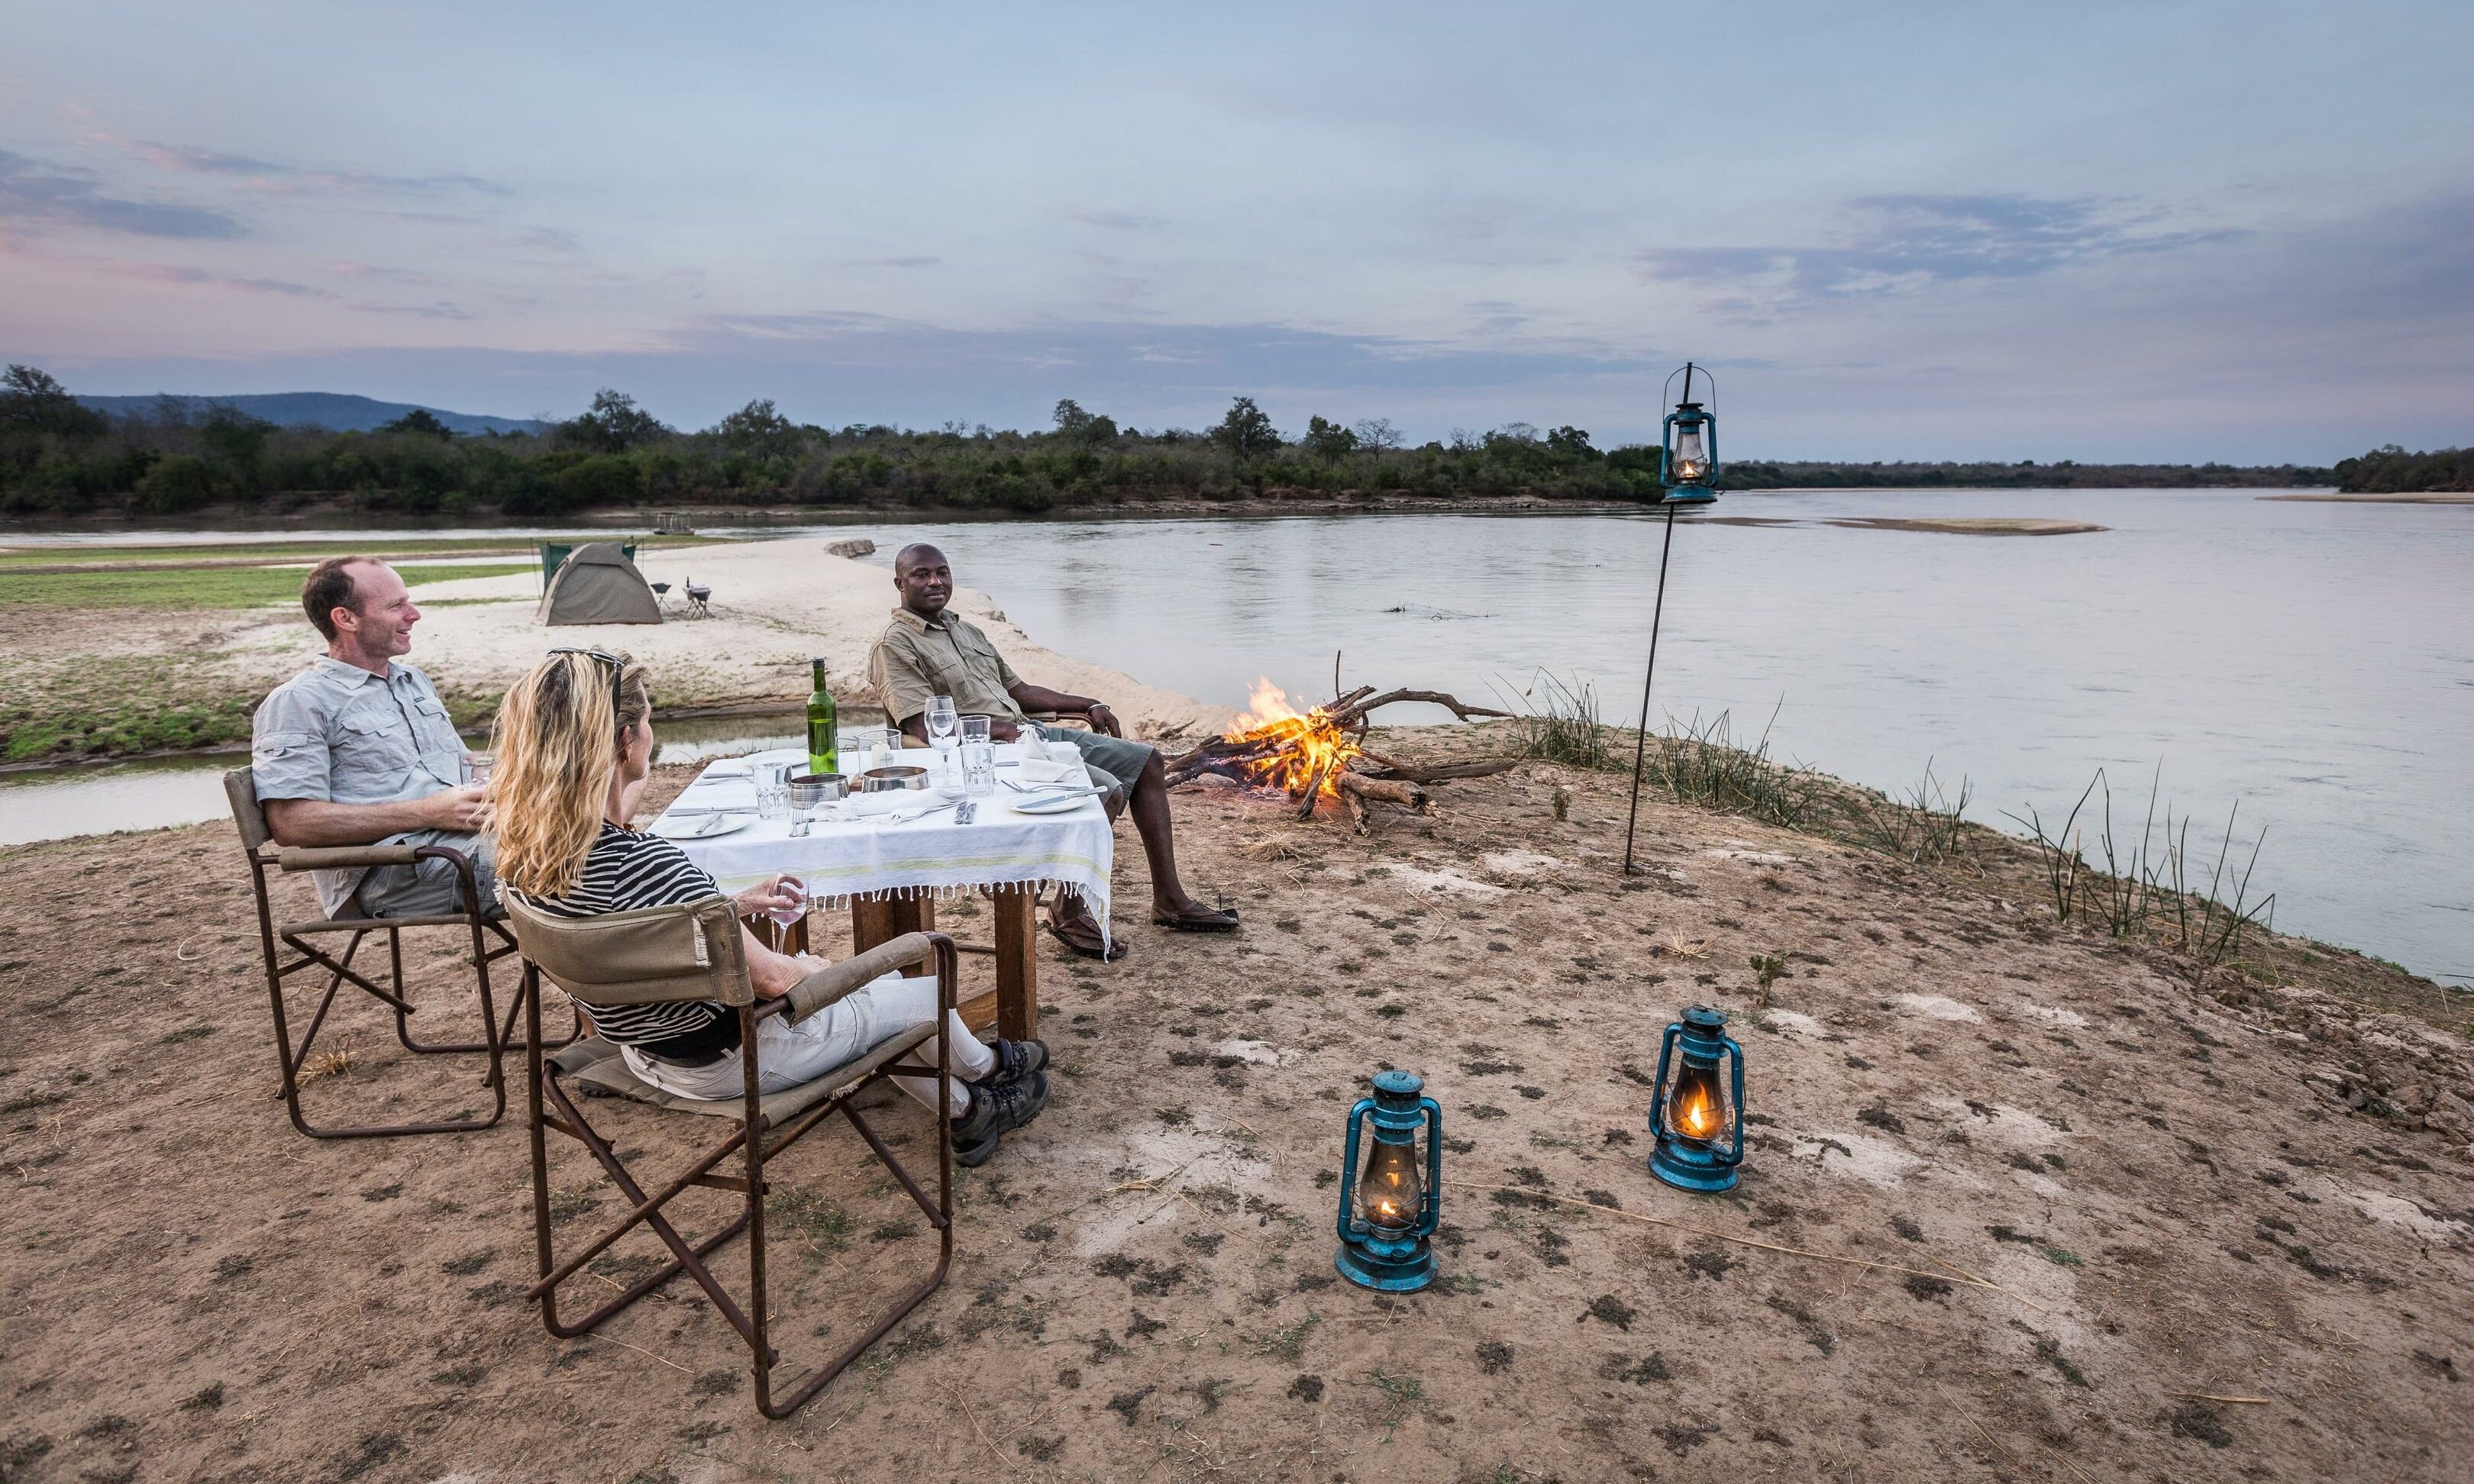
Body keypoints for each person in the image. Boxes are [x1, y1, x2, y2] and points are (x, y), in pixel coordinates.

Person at [488, 647, 1048, 1166]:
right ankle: (991, 1072)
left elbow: (641, 928)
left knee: (882, 1003)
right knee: (918, 989)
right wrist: (817, 969)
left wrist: (727, 905)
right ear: (625, 742)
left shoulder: (530, 861)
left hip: (647, 1049)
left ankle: (971, 1112)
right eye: (649, 724)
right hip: (737, 1059)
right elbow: (779, 981)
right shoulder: (651, 865)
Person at [865, 542, 1240, 958]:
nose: (935, 581)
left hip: (1026, 735)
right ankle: (1067, 907)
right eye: (921, 575)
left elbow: (1018, 691)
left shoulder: (963, 629)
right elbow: (922, 726)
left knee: (1147, 759)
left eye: (942, 572)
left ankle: (1170, 900)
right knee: (1104, 790)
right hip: (980, 756)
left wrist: (1088, 704)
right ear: (900, 583)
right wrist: (1005, 731)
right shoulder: (894, 644)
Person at [250, 555, 493, 921]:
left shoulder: (414, 682)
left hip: (467, 843)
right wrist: (428, 812)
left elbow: (466, 767)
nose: (414, 614)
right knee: (575, 865)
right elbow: (292, 824)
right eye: (396, 606)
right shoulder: (299, 701)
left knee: (600, 837)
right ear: (346, 618)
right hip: (393, 870)